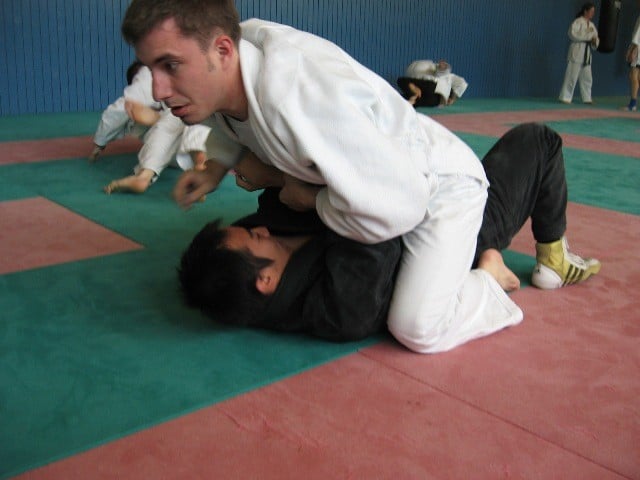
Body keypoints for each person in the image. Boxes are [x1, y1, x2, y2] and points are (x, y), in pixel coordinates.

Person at [121, 0, 593, 353]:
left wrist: (308, 198)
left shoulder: (300, 100)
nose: (158, 90)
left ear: (223, 50)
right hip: (380, 166)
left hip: (433, 189)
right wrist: (217, 167)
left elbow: (402, 208)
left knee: (418, 328)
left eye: (170, 66)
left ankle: (485, 280)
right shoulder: (231, 62)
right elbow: (229, 120)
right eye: (150, 68)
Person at [179, 124, 601, 344]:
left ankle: (488, 267)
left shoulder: (260, 249)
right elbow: (377, 213)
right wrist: (286, 183)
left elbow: (280, 195)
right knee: (537, 140)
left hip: (416, 193)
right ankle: (541, 259)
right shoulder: (339, 308)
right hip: (449, 231)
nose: (259, 228)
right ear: (266, 280)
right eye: (255, 240)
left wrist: (244, 167)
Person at [90, 60, 211, 194]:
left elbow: (117, 110)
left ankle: (145, 175)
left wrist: (99, 143)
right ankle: (197, 155)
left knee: (172, 119)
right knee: (177, 117)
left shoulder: (147, 72)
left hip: (179, 142)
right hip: (206, 141)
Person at [559, 2, 599, 105]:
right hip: (577, 51)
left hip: (587, 53)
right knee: (571, 76)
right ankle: (565, 97)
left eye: (593, 12)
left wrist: (594, 42)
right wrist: (588, 37)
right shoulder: (577, 22)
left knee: (587, 77)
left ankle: (587, 98)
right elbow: (572, 34)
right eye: (591, 11)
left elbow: (596, 38)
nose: (592, 14)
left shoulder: (592, 25)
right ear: (585, 11)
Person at [398, 59, 468, 107]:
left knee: (402, 81)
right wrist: (453, 98)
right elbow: (462, 84)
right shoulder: (448, 78)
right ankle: (410, 100)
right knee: (422, 100)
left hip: (424, 85)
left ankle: (409, 97)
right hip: (435, 94)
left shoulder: (446, 76)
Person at [624, 1, 640, 111]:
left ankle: (632, 104)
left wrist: (632, 51)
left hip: (638, 50)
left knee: (633, 75)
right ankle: (633, 103)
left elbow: (637, 37)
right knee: (637, 77)